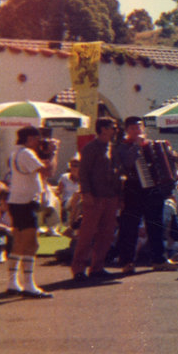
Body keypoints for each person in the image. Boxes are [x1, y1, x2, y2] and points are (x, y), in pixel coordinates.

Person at [114, 116, 178, 274]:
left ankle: (159, 260)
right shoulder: (122, 147)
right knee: (130, 227)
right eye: (133, 128)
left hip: (153, 189)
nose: (137, 131)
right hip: (133, 187)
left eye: (139, 128)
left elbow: (165, 164)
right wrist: (136, 146)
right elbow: (128, 164)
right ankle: (127, 262)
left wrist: (173, 159)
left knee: (156, 225)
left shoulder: (152, 144)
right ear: (127, 131)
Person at [5, 126, 59, 296]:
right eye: (36, 138)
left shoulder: (18, 153)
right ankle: (29, 285)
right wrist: (52, 153)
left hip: (18, 202)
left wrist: (44, 153)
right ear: (28, 138)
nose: (39, 141)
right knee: (31, 244)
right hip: (26, 203)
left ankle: (13, 282)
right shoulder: (27, 154)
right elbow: (48, 171)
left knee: (19, 243)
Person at [71, 117, 121, 282]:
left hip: (110, 196)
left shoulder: (112, 148)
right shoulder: (90, 148)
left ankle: (97, 267)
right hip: (94, 196)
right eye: (112, 127)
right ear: (103, 129)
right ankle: (78, 268)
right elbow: (83, 173)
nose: (115, 130)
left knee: (106, 234)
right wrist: (86, 193)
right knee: (87, 233)